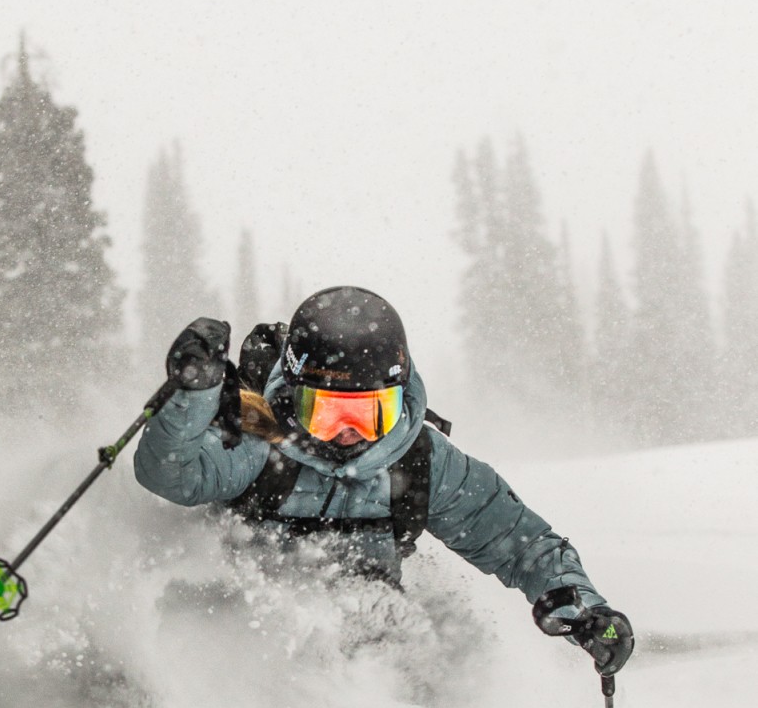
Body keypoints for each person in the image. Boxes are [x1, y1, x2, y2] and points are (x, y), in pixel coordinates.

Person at [134, 286, 633, 675]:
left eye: (372, 414)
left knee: (410, 633)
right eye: (326, 413)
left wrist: (583, 608)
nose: (348, 434)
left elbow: (521, 544)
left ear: (399, 399)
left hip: (371, 645)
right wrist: (195, 396)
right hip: (242, 640)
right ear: (293, 396)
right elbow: (170, 475)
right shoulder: (259, 435)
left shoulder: (419, 460)